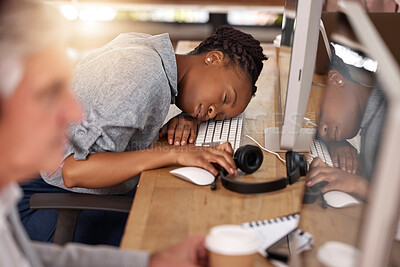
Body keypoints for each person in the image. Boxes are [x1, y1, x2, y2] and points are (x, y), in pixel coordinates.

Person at [19, 12, 268, 245]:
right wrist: (174, 154)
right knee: (188, 230)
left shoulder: (148, 52)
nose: (213, 113)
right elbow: (72, 170)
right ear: (213, 58)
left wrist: (191, 116)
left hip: (43, 187)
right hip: (44, 205)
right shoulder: (144, 75)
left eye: (220, 116)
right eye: (224, 98)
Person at [0, 1, 208, 266]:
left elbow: (31, 258)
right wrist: (171, 153)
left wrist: (154, 261)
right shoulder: (145, 69)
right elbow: (73, 170)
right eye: (49, 92)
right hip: (47, 198)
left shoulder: (4, 199)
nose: (74, 112)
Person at [306, 49, 386, 200]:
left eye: (320, 114)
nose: (322, 130)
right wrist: (336, 142)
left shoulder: (390, 109)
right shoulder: (373, 115)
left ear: (335, 79)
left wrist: (359, 185)